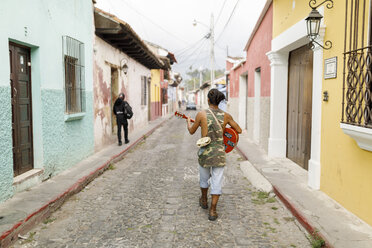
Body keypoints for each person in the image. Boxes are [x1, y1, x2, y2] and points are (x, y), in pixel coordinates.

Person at [186, 88, 242, 221]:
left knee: (204, 179)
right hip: (219, 153)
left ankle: (204, 201)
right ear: (220, 101)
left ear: (208, 100)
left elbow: (191, 131)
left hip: (205, 152)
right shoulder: (226, 116)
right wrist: (224, 130)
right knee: (217, 181)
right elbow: (238, 130)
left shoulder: (201, 114)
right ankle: (212, 210)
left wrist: (189, 122)